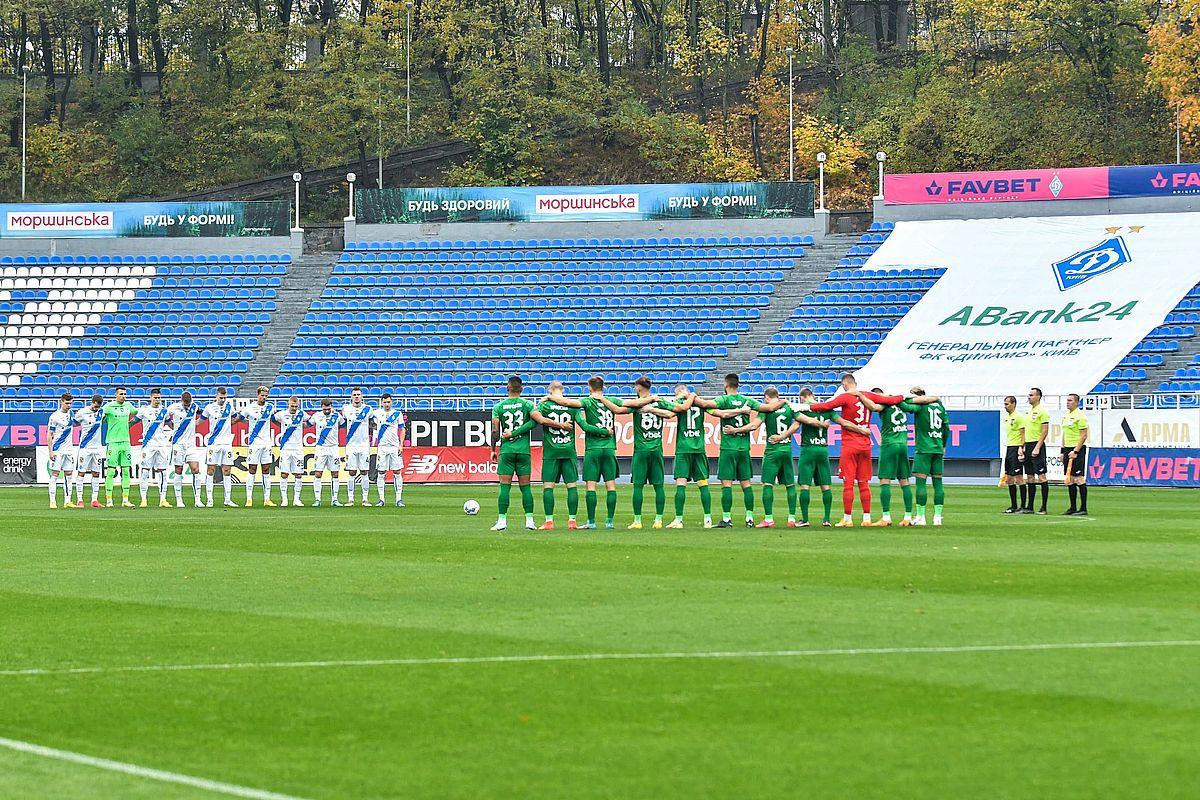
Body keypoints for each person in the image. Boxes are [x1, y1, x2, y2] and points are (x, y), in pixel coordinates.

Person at [803, 374, 904, 527]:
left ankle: (848, 519)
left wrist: (803, 406)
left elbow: (825, 406)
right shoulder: (867, 395)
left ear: (844, 384)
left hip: (850, 444)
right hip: (865, 445)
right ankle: (866, 518)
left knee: (848, 483)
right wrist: (905, 396)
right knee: (864, 482)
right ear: (855, 383)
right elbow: (892, 400)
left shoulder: (845, 397)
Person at [693, 373, 783, 528]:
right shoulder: (747, 400)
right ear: (738, 385)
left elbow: (705, 404)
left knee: (726, 484)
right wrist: (784, 400)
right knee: (746, 484)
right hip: (743, 448)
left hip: (728, 448)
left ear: (726, 385)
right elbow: (769, 407)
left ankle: (727, 519)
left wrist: (691, 396)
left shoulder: (724, 400)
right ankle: (749, 518)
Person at [599, 377, 677, 529]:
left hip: (641, 449)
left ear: (639, 387)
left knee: (638, 486)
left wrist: (602, 398)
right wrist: (655, 410)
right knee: (659, 486)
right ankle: (659, 520)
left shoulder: (637, 404)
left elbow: (618, 410)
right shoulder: (659, 401)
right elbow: (673, 413)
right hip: (656, 449)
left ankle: (638, 520)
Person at [721, 387, 801, 528]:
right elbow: (798, 422)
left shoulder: (766, 410)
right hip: (787, 450)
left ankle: (769, 519)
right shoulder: (789, 407)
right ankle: (792, 518)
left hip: (772, 450)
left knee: (767, 484)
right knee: (790, 484)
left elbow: (753, 426)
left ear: (766, 397)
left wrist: (735, 430)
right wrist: (784, 436)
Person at [535, 381, 604, 530]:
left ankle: (549, 521)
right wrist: (605, 431)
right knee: (572, 486)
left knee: (548, 486)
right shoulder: (572, 407)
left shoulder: (544, 405)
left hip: (551, 451)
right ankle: (572, 521)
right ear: (563, 391)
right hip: (568, 450)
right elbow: (585, 426)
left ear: (550, 391)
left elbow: (535, 419)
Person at [550, 377, 618, 529]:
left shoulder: (587, 401)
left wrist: (549, 396)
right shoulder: (612, 400)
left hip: (593, 449)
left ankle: (591, 522)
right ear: (603, 387)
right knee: (611, 486)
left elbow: (567, 403)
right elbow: (627, 407)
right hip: (609, 448)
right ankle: (609, 522)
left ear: (589, 388)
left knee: (591, 487)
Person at [792, 388, 847, 527]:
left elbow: (796, 424)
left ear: (803, 398)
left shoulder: (805, 409)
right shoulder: (827, 409)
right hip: (823, 449)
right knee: (825, 486)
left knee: (805, 485)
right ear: (813, 396)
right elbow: (842, 421)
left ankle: (805, 520)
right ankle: (826, 519)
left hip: (808, 449)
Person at [491, 375, 537, 531]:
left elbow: (495, 431)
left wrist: (492, 450)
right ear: (521, 389)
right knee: (526, 487)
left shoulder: (498, 407)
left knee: (504, 487)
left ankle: (502, 521)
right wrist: (518, 432)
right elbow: (534, 421)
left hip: (507, 451)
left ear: (507, 388)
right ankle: (529, 521)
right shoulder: (528, 404)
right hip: (523, 451)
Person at [898, 387, 947, 526]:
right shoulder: (940, 407)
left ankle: (921, 517)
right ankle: (937, 517)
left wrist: (900, 398)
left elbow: (904, 404)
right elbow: (946, 426)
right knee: (938, 483)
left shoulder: (920, 407)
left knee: (921, 482)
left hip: (924, 448)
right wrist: (943, 445)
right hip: (937, 447)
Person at [665, 385, 710, 529]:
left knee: (681, 482)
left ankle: (678, 519)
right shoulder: (700, 402)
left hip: (683, 447)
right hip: (699, 447)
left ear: (679, 393)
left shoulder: (679, 404)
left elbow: (669, 413)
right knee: (703, 483)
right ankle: (707, 519)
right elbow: (716, 411)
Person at [870, 388, 915, 527]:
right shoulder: (900, 402)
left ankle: (886, 517)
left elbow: (874, 407)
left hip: (889, 444)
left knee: (884, 479)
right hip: (903, 444)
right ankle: (908, 517)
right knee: (904, 481)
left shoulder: (884, 403)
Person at [239, 385, 277, 507]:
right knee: (252, 469)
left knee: (266, 470)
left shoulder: (270, 408)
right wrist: (249, 422)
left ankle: (267, 499)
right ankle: (249, 499)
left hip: (267, 443)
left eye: (266, 395)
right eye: (262, 395)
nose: (264, 397)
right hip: (254, 443)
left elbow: (274, 420)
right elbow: (239, 419)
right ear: (257, 395)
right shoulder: (249, 408)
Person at [136, 388, 174, 508]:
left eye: (159, 398)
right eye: (155, 398)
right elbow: (134, 421)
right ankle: (143, 499)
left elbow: (169, 424)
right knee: (145, 472)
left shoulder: (164, 411)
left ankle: (163, 499)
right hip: (148, 445)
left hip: (162, 445)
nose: (157, 400)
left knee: (162, 472)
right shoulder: (143, 410)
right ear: (150, 398)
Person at [101, 386, 139, 507]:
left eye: (125, 394)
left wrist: (132, 422)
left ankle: (125, 500)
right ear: (116, 395)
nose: (123, 396)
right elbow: (100, 417)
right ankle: (109, 500)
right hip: (112, 442)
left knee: (126, 471)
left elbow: (139, 413)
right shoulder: (108, 407)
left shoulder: (128, 406)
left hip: (126, 442)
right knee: (111, 471)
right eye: (121, 394)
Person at [201, 387, 238, 507]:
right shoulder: (209, 408)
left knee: (227, 471)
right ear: (216, 396)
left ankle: (227, 499)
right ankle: (210, 499)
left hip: (227, 444)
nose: (223, 400)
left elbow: (235, 418)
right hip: (213, 443)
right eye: (221, 397)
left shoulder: (230, 407)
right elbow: (200, 420)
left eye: (224, 398)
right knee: (210, 470)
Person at [167, 390, 204, 507]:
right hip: (178, 443)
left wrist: (196, 423)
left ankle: (197, 499)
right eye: (185, 405)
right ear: (181, 401)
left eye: (188, 404)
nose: (187, 406)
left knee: (195, 469)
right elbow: (166, 417)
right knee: (178, 470)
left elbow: (203, 414)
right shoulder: (173, 407)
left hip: (191, 444)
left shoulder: (195, 406)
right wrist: (171, 425)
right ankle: (179, 500)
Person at [371, 393, 407, 507]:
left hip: (394, 447)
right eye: (385, 402)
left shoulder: (397, 414)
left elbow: (402, 429)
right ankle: (381, 499)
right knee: (381, 473)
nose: (387, 404)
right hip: (382, 447)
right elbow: (370, 423)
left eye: (389, 402)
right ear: (382, 402)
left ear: (392, 402)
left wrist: (401, 445)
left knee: (397, 472)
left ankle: (398, 499)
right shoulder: (376, 413)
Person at [309, 398, 345, 506]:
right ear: (321, 407)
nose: (327, 411)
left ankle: (334, 499)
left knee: (335, 473)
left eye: (328, 409)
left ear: (331, 406)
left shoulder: (337, 416)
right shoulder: (316, 416)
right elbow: (308, 424)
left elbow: (344, 425)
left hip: (334, 448)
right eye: (325, 409)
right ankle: (317, 499)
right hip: (321, 448)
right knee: (318, 473)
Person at [274, 396, 309, 507]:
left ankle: (296, 499)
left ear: (298, 405)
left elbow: (310, 422)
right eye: (292, 406)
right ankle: (284, 499)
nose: (294, 408)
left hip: (298, 448)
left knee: (298, 474)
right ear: (288, 404)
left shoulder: (302, 414)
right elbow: (273, 419)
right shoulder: (281, 414)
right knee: (284, 473)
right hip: (285, 448)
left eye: (296, 406)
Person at [342, 388, 374, 506]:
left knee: (364, 471)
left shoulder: (368, 409)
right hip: (351, 445)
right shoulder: (346, 409)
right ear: (351, 397)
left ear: (362, 396)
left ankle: (365, 499)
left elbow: (373, 423)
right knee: (351, 472)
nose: (356, 397)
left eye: (358, 395)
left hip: (364, 445)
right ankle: (350, 499)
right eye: (354, 395)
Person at [1060, 393, 1090, 516]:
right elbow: (1064, 434)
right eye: (1067, 400)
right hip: (1067, 449)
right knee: (1070, 479)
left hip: (1077, 449)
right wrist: (1062, 451)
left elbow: (1084, 435)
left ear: (1077, 402)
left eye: (1070, 400)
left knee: (1079, 478)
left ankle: (1083, 508)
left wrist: (1076, 451)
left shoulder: (1080, 416)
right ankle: (1072, 507)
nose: (1068, 402)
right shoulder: (1067, 416)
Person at [75, 394, 106, 508]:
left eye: (98, 407)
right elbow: (72, 424)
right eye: (95, 406)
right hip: (85, 447)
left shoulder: (101, 412)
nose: (96, 408)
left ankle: (94, 499)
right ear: (92, 402)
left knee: (96, 473)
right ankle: (80, 499)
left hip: (97, 448)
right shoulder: (82, 412)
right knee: (81, 473)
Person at [47, 392, 77, 509]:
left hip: (69, 450)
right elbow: (49, 434)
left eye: (70, 403)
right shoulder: (54, 416)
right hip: (58, 450)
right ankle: (52, 501)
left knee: (69, 475)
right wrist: (50, 451)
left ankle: (67, 501)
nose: (68, 406)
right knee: (54, 475)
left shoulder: (71, 414)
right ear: (61, 402)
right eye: (66, 403)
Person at [1023, 387, 1051, 514]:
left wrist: (1038, 447)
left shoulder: (1042, 412)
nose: (1029, 397)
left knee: (1041, 476)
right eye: (1029, 395)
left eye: (1031, 395)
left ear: (1038, 397)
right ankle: (1030, 506)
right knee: (1029, 476)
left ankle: (1044, 507)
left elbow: (1045, 431)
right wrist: (1023, 446)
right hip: (1028, 445)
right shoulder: (1030, 412)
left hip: (1036, 445)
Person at [1001, 395, 1027, 514]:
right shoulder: (1008, 418)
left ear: (1013, 404)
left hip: (1016, 447)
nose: (1005, 406)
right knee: (1009, 478)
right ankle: (1013, 505)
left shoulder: (1019, 417)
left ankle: (1023, 506)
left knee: (1019, 477)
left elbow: (1023, 434)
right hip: (1009, 448)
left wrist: (1021, 448)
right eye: (1005, 404)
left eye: (1007, 404)